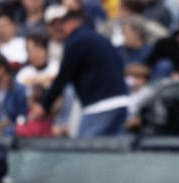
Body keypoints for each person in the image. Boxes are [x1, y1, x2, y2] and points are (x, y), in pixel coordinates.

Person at [39, 8, 130, 137]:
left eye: (62, 23)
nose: (59, 29)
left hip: (100, 106)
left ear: (71, 23)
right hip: (121, 101)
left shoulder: (76, 41)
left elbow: (63, 77)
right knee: (112, 154)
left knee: (86, 153)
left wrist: (44, 105)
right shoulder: (97, 38)